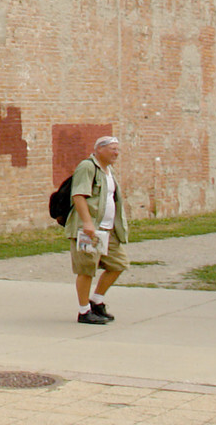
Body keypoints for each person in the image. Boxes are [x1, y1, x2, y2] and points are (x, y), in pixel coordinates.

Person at [67, 135, 129, 324]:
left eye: (118, 149)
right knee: (86, 269)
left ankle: (96, 301)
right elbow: (78, 195)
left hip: (107, 230)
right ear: (99, 149)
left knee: (118, 264)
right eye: (113, 149)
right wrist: (87, 223)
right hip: (90, 230)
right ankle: (84, 311)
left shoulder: (108, 171)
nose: (116, 153)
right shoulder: (87, 167)